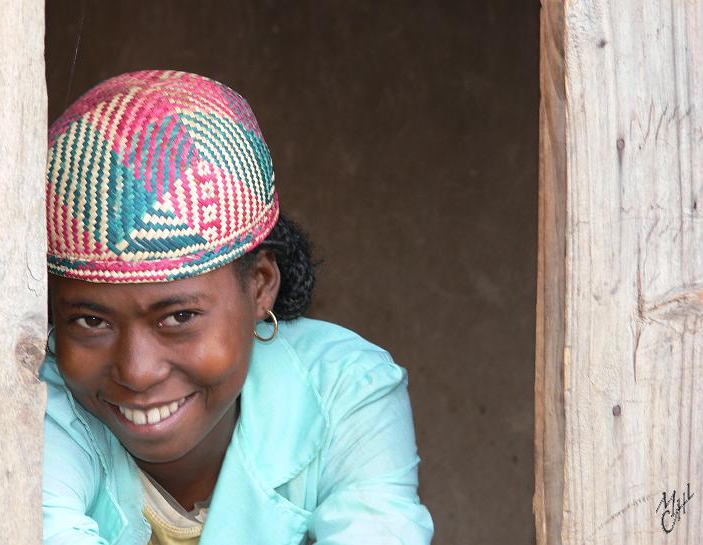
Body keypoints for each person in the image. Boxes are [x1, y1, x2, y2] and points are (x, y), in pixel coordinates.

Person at [42, 70, 434, 545]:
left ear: (262, 286)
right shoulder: (39, 405)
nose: (137, 371)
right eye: (91, 320)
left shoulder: (345, 390)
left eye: (179, 317)